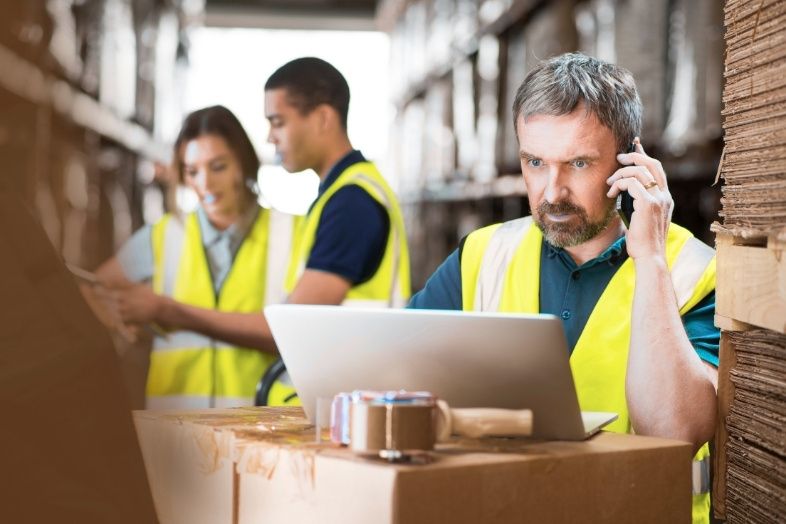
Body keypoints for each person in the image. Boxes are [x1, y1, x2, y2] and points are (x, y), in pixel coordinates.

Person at [409, 53, 718, 523]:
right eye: (535, 162)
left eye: (577, 163)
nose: (552, 192)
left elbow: (673, 432)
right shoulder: (483, 255)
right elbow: (397, 380)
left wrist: (650, 259)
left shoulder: (693, 270)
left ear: (630, 160)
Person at [96, 105, 294, 409]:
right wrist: (120, 316)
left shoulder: (291, 232)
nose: (204, 184)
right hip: (176, 436)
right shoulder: (164, 235)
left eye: (218, 167)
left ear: (243, 163)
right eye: (192, 171)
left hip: (260, 432)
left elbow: (293, 333)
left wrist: (164, 310)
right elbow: (93, 289)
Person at [263, 57, 410, 309]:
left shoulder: (352, 203)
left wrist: (181, 315)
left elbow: (298, 323)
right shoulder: (342, 192)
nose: (270, 138)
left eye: (278, 122)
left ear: (322, 118)